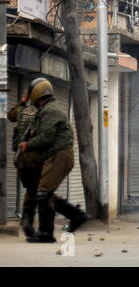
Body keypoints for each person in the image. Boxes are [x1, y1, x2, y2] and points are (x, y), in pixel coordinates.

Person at [19, 78, 88, 243]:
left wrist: (28, 145)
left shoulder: (49, 110)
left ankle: (46, 233)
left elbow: (47, 137)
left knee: (43, 193)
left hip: (60, 155)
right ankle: (76, 216)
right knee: (44, 194)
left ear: (37, 94)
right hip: (55, 155)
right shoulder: (45, 110)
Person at [7, 90, 41, 238]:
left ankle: (27, 220)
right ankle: (31, 221)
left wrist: (22, 101)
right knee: (41, 190)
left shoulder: (22, 111)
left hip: (21, 159)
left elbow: (10, 116)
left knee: (31, 190)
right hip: (36, 158)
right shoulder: (45, 113)